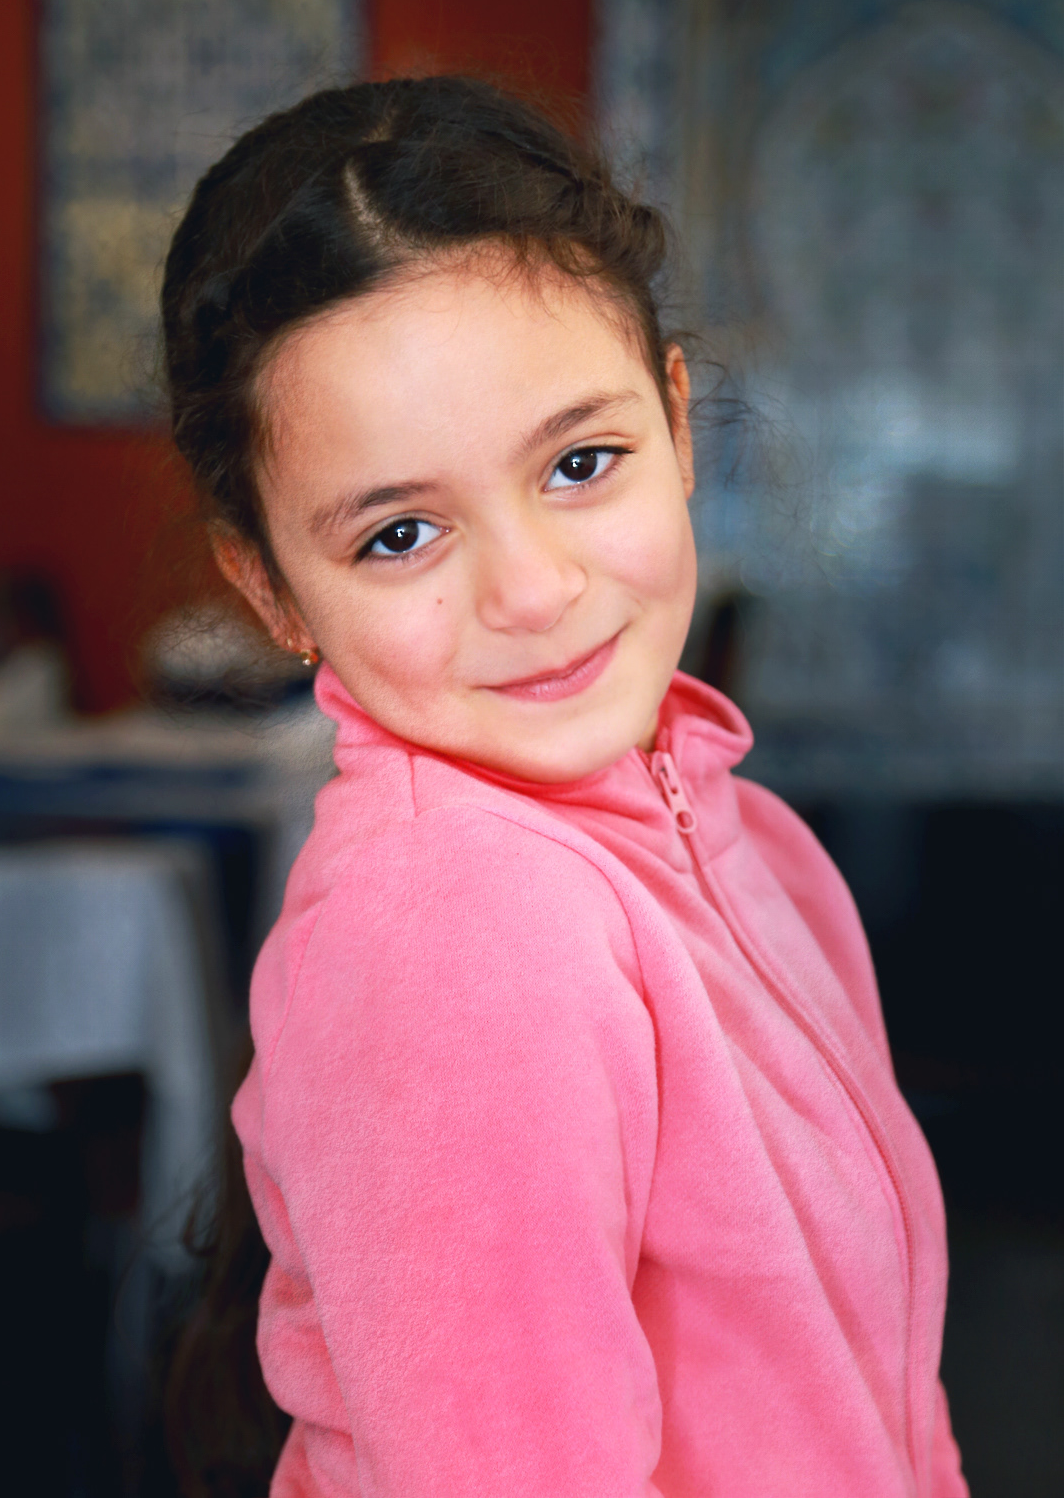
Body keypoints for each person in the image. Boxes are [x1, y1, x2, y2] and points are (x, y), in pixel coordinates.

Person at [161, 77, 967, 1497]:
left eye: (580, 462)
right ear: (269, 588)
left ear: (678, 425)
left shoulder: (753, 834)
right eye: (400, 534)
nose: (533, 590)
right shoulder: (454, 924)